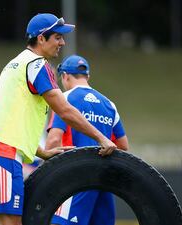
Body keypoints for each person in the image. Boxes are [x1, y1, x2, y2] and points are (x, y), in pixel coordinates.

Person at [0, 13, 117, 225]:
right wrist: (101, 137)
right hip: (2, 155)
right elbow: (65, 110)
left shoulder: (17, 62)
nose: (62, 42)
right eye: (57, 37)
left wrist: (42, 152)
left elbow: (9, 120)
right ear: (41, 38)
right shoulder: (38, 65)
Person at [46, 55, 129, 225]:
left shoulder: (64, 99)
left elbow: (53, 141)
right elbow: (123, 146)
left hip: (74, 178)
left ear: (65, 76)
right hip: (104, 180)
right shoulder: (109, 104)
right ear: (88, 76)